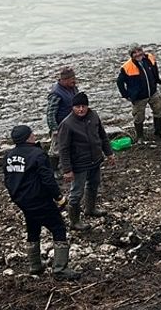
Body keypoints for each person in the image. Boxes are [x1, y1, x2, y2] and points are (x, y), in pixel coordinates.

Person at [2, 124, 79, 279]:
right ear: (28, 137)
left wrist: (16, 197)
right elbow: (48, 179)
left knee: (33, 227)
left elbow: (7, 179)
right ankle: (60, 269)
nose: (34, 135)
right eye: (32, 133)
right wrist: (59, 197)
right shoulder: (37, 154)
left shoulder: (8, 156)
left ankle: (35, 265)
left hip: (22, 200)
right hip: (39, 199)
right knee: (58, 228)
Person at [55, 92, 114, 230]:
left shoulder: (94, 116)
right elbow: (63, 149)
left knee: (94, 184)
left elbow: (102, 136)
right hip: (78, 164)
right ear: (72, 107)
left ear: (87, 106)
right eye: (77, 107)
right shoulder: (67, 124)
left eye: (83, 106)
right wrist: (67, 170)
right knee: (76, 193)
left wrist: (109, 153)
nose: (81, 109)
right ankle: (74, 221)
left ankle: (90, 208)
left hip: (95, 160)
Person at [117, 45, 161, 140]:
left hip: (153, 92)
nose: (138, 54)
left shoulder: (149, 58)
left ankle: (159, 131)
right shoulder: (127, 67)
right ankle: (140, 137)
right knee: (138, 117)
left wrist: (157, 80)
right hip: (139, 97)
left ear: (142, 51)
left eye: (139, 51)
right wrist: (126, 95)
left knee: (159, 110)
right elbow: (119, 82)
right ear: (131, 55)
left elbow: (155, 69)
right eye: (134, 53)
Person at [44, 68, 81, 164]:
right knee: (56, 150)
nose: (74, 81)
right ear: (64, 80)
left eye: (74, 78)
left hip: (73, 123)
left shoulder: (73, 88)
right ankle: (54, 170)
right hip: (60, 126)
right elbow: (50, 114)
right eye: (71, 79)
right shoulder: (56, 94)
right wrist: (54, 129)